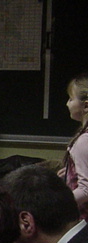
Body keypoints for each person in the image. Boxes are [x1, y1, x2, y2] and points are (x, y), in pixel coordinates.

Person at [57, 72, 88, 218]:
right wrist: (71, 172)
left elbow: (85, 190)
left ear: (86, 106)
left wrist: (58, 204)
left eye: (70, 99)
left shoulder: (84, 141)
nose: (67, 103)